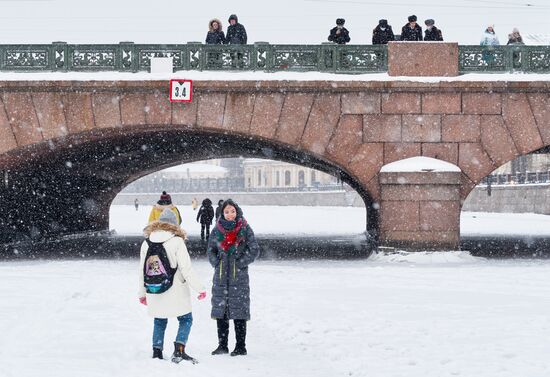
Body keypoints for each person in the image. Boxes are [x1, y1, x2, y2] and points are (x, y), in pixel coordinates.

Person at [138, 208, 207, 363]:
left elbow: (142, 270)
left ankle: (157, 351)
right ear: (174, 224)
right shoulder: (177, 241)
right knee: (186, 319)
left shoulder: (146, 242)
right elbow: (186, 269)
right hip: (176, 289)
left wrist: (142, 293)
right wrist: (200, 288)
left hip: (155, 288)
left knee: (159, 320)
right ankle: (179, 350)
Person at [208, 199, 260, 356]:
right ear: (222, 213)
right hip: (221, 277)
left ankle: (240, 346)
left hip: (239, 277)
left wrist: (241, 263)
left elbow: (254, 249)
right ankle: (222, 345)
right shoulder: (217, 230)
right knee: (221, 312)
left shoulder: (244, 228)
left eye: (232, 211)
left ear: (237, 212)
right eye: (226, 212)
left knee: (239, 312)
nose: (230, 215)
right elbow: (210, 250)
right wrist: (216, 262)